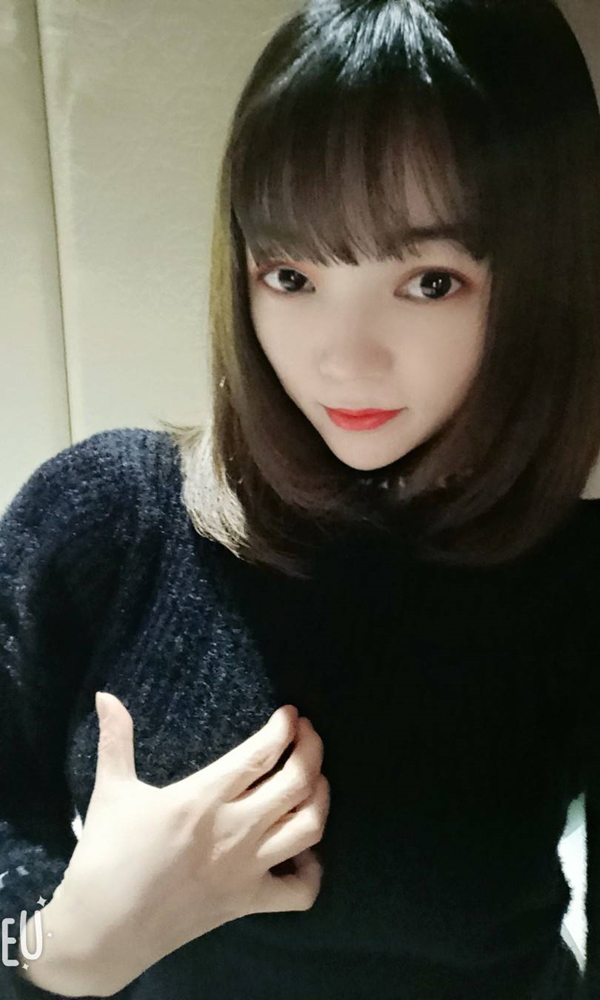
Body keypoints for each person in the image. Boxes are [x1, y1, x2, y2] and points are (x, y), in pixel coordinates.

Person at [1, 0, 600, 997]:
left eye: (431, 281)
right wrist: (61, 945)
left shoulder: (575, 580)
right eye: (291, 273)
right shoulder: (107, 522)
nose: (343, 359)